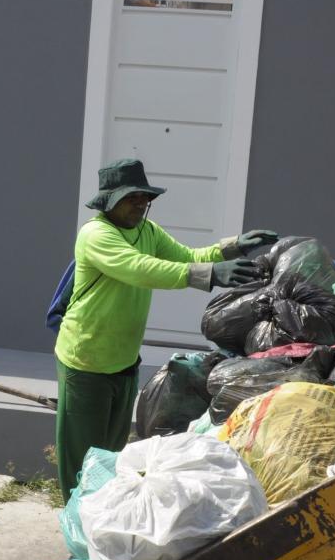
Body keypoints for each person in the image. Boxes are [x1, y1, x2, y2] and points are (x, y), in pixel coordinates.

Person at [54, 157, 277, 498]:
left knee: (111, 455)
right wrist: (208, 276)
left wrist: (232, 247)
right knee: (82, 458)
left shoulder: (148, 231)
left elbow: (187, 256)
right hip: (85, 361)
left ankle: (101, 512)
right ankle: (74, 515)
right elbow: (140, 268)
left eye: (145, 197)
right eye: (131, 197)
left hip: (123, 361)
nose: (141, 204)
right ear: (109, 201)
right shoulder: (96, 234)